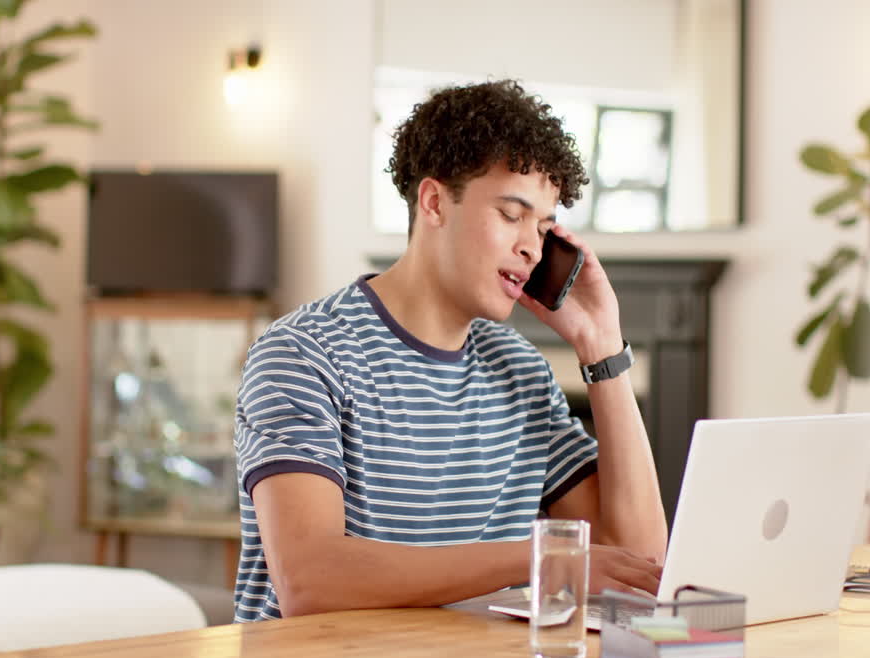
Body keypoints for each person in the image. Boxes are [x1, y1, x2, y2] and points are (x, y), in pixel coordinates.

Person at [232, 79, 668, 622]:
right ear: (435, 202)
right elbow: (311, 579)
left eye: (545, 226)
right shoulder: (303, 353)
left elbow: (637, 564)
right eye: (512, 214)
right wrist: (536, 559)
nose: (532, 247)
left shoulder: (521, 372)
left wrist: (601, 349)